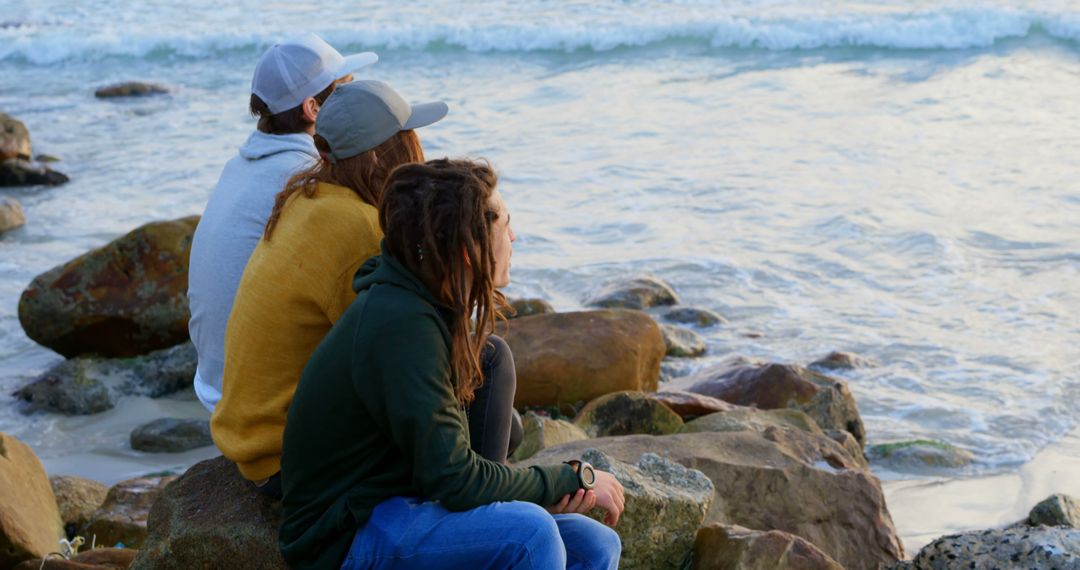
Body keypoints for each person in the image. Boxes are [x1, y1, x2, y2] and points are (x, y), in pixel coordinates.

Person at [279, 159, 625, 570]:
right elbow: (457, 480)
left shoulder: (429, 306)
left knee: (596, 544)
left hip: (401, 501)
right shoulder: (402, 327)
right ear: (468, 251)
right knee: (531, 533)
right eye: (505, 227)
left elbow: (452, 468)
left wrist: (538, 488)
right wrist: (569, 477)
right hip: (345, 534)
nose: (515, 237)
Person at [214, 81, 522, 501]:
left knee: (498, 414)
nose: (420, 147)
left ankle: (490, 503)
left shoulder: (309, 198)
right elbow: (400, 350)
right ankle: (484, 521)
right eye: (410, 137)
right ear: (382, 156)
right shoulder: (362, 229)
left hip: (253, 437)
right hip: (288, 456)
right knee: (492, 363)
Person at [188, 33, 377, 413]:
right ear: (313, 109)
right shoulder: (304, 178)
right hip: (263, 404)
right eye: (345, 90)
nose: (356, 97)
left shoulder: (240, 165)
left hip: (214, 387)